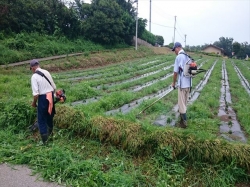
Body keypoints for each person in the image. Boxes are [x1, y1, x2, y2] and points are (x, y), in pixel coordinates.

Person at [30, 59, 56, 144]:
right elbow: (54, 87)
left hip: (43, 97)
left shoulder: (34, 77)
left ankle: (45, 142)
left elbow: (36, 94)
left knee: (41, 119)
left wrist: (34, 103)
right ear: (38, 65)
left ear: (33, 68)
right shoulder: (46, 72)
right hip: (50, 96)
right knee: (49, 116)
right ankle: (51, 136)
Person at [171, 42, 191, 128]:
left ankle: (184, 124)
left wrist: (173, 83)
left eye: (174, 49)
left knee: (181, 104)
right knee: (184, 103)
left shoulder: (179, 57)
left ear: (177, 48)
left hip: (182, 85)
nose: (174, 52)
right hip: (189, 84)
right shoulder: (187, 56)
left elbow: (175, 73)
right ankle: (181, 120)